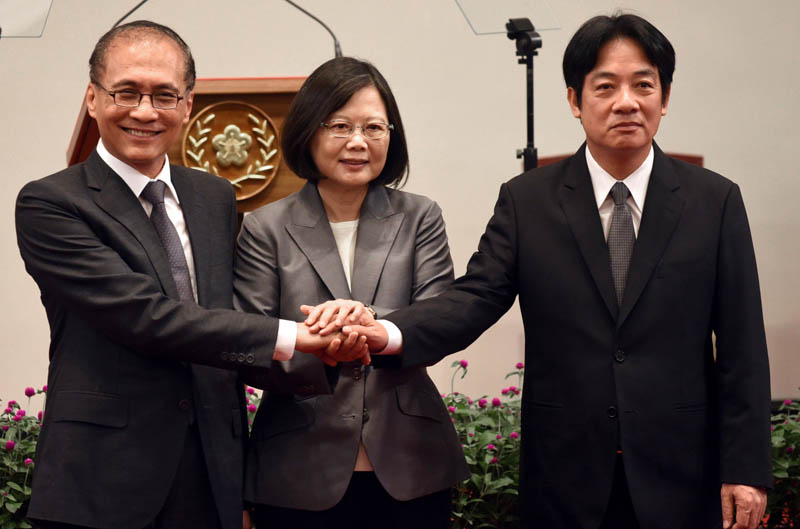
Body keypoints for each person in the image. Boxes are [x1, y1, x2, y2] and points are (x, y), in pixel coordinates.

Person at [330, 13, 773, 529]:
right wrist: (385, 331)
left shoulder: (714, 201)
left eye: (643, 85)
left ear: (665, 97)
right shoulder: (528, 201)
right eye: (605, 86)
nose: (626, 101)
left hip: (683, 475)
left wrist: (746, 470)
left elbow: (743, 346)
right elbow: (473, 298)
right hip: (565, 479)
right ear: (574, 101)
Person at [15, 21, 365, 529]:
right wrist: (296, 336)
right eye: (125, 92)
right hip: (101, 479)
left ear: (188, 107)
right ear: (92, 98)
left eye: (164, 95)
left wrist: (327, 350)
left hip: (209, 475)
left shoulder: (213, 197)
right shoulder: (51, 202)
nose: (144, 111)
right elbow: (146, 318)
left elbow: (225, 323)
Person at [233, 56, 469, 529]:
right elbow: (249, 341)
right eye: (340, 125)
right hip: (297, 468)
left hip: (412, 464)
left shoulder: (420, 216)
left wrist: (364, 322)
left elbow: (439, 318)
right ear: (308, 132)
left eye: (374, 128)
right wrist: (324, 348)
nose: (358, 142)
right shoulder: (264, 228)